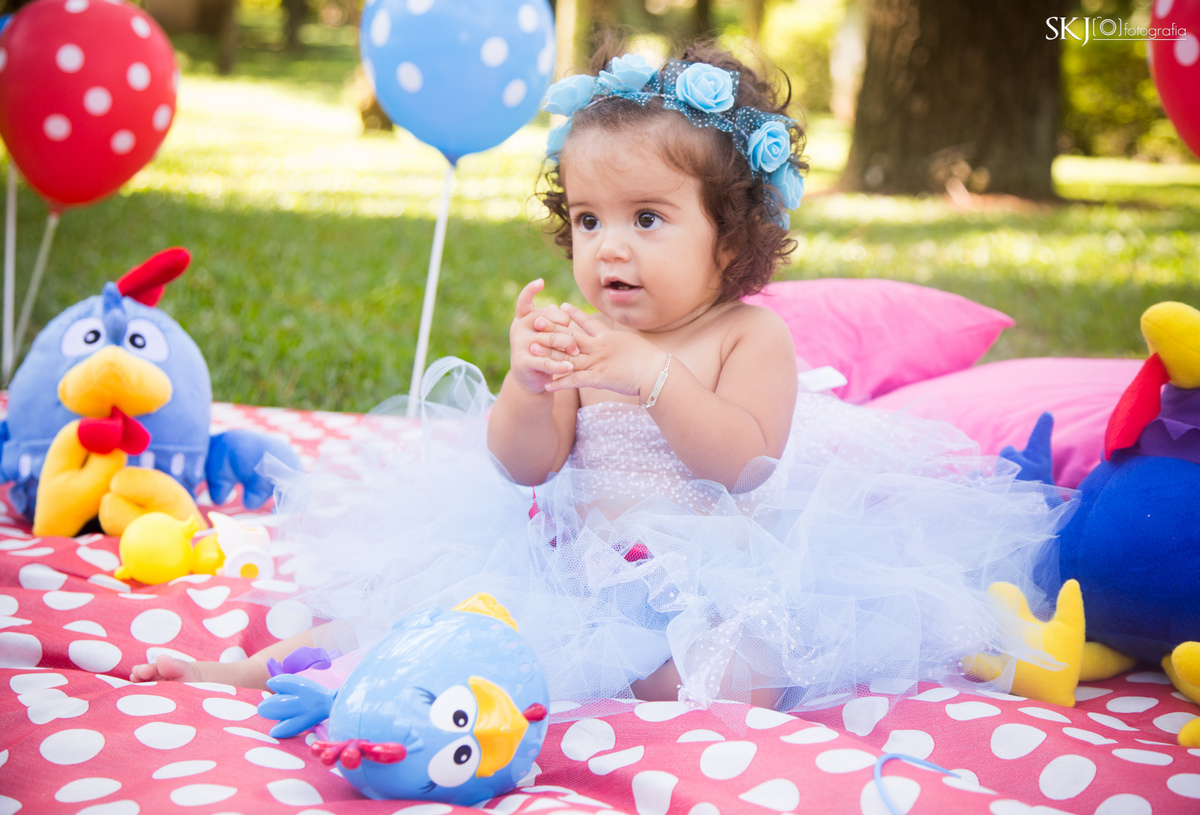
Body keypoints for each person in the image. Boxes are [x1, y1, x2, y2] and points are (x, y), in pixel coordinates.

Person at [131, 42, 1071, 713]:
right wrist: (530, 384)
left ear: (733, 234)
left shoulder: (749, 338)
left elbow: (745, 465)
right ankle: (268, 670)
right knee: (428, 601)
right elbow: (526, 465)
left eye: (646, 218)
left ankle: (556, 692)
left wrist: (654, 377)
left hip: (705, 578)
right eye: (588, 220)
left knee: (735, 674)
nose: (608, 246)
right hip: (567, 561)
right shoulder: (587, 337)